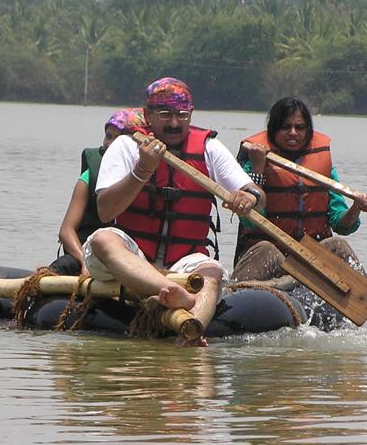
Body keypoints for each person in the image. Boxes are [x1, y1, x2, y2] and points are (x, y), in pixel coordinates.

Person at [83, 77, 265, 344]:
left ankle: (192, 330)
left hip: (185, 261)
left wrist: (249, 197)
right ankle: (175, 294)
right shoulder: (126, 146)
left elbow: (258, 197)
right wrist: (142, 170)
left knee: (212, 272)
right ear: (148, 115)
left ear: (191, 114)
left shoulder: (209, 148)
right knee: (102, 239)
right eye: (165, 114)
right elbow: (105, 210)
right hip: (134, 258)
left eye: (182, 115)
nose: (174, 123)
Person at [233, 96, 367, 328]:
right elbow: (251, 222)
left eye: (300, 127)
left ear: (308, 131)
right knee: (267, 248)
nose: (293, 133)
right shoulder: (253, 161)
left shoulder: (322, 168)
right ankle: (232, 303)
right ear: (273, 129)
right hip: (270, 258)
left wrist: (355, 207)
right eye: (285, 127)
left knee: (338, 244)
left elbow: (343, 224)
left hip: (310, 261)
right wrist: (258, 168)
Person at [48, 108, 146, 277]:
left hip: (129, 257)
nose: (110, 143)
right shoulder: (90, 176)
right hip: (89, 254)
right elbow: (66, 231)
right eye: (108, 136)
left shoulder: (147, 175)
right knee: (63, 265)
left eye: (118, 138)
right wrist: (84, 262)